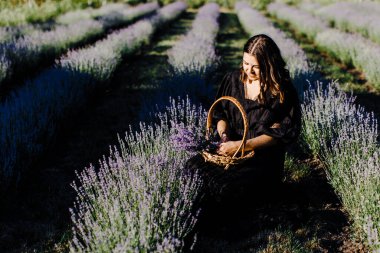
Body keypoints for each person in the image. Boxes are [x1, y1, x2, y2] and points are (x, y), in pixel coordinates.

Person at [184, 34, 302, 212]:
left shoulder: (283, 91)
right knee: (191, 167)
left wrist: (242, 145)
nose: (249, 70)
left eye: (256, 67)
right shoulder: (232, 80)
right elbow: (220, 113)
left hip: (261, 157)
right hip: (231, 149)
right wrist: (224, 136)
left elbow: (282, 134)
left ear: (270, 66)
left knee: (226, 187)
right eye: (246, 63)